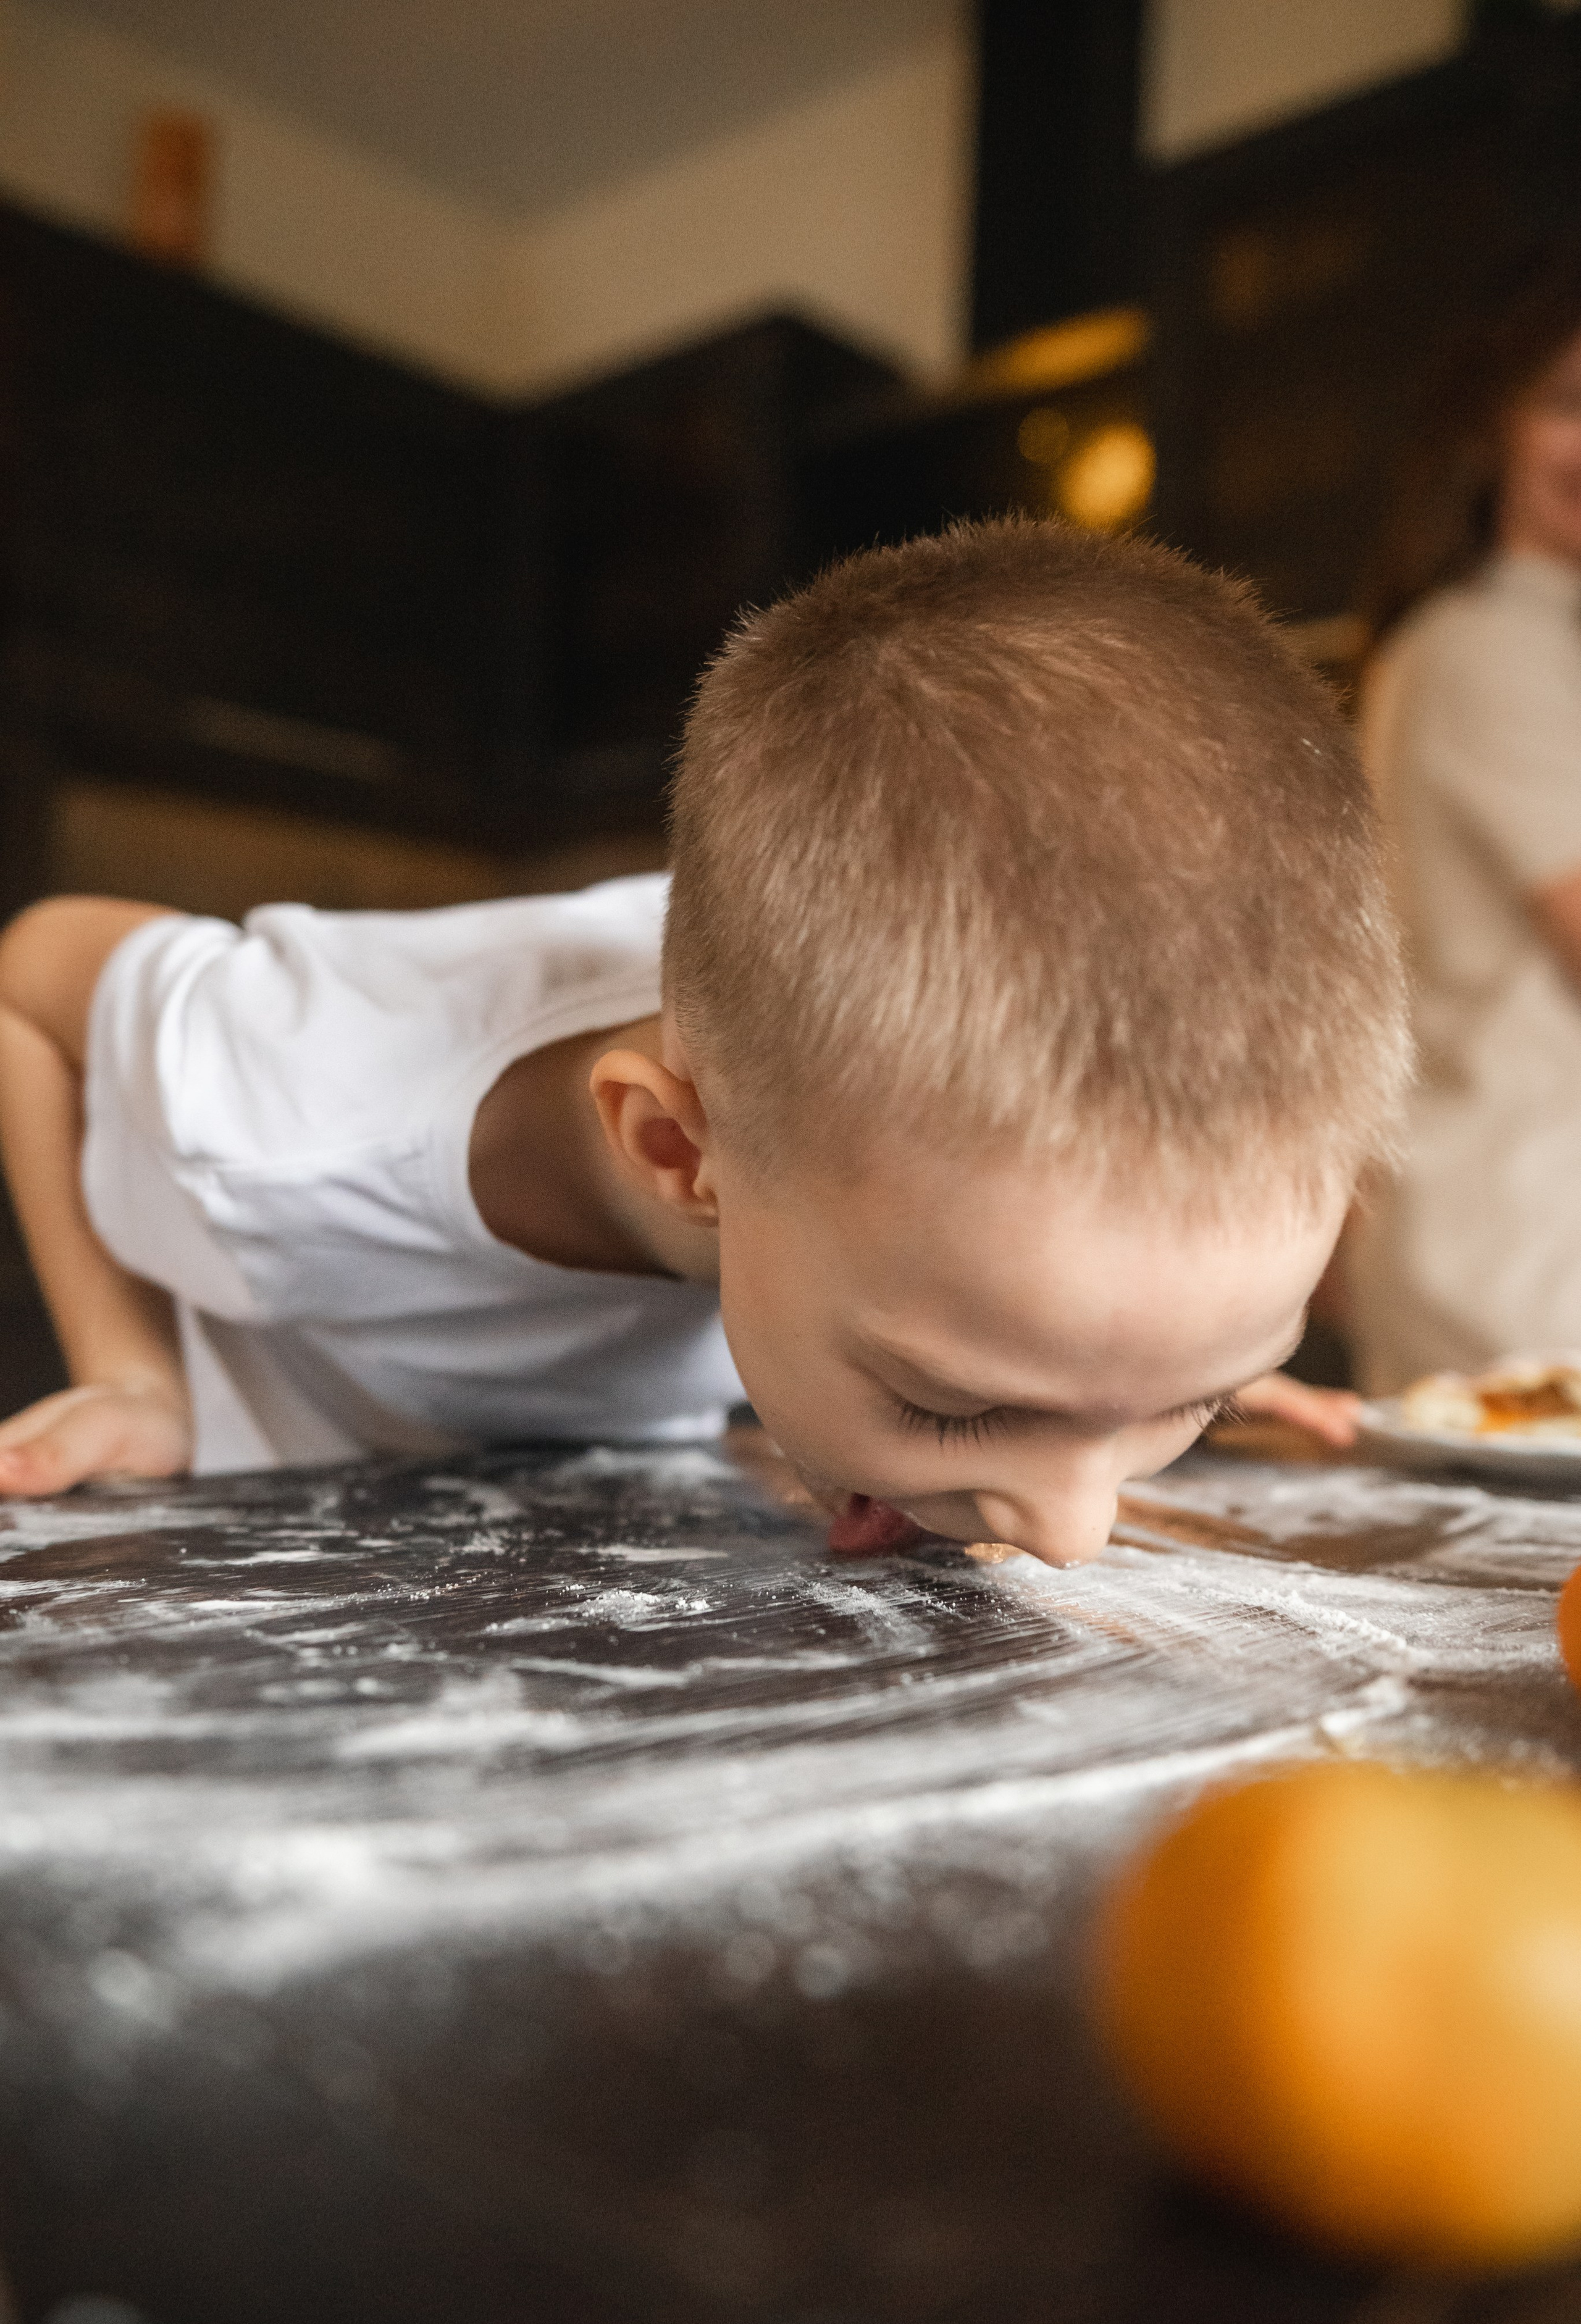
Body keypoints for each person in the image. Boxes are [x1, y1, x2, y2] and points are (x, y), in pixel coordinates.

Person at [0, 520, 1408, 1567]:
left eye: (1189, 1402)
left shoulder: (836, 1104)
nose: (1072, 1531)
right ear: (678, 1148)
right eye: (961, 1406)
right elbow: (30, 975)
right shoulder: (294, 1108)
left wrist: (1120, 1363)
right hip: (293, 1526)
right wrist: (130, 1368)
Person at [1350, 254, 1581, 1392]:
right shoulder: (1494, 645)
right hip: (1522, 1253)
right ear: (1495, 430)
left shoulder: (1479, 642)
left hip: (1488, 1235)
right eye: (1570, 404)